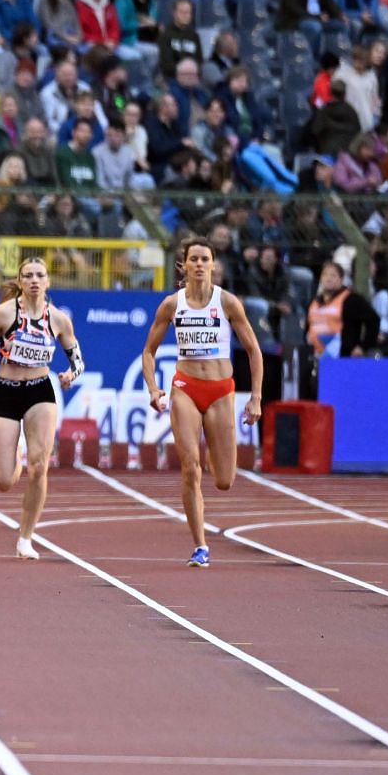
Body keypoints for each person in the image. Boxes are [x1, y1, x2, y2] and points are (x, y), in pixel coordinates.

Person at [141, 237, 265, 567]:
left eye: (204, 259)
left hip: (221, 390)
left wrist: (256, 398)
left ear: (213, 265)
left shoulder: (228, 303)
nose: (198, 264)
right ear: (184, 265)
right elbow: (148, 352)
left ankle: (214, 445)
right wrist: (154, 389)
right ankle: (200, 545)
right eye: (193, 259)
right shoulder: (171, 304)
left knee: (224, 480)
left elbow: (253, 350)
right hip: (185, 388)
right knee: (190, 469)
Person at [0, 256, 85, 561]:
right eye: (28, 275)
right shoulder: (3, 314)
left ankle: (26, 537)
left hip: (40, 391)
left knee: (40, 466)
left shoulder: (58, 320)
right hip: (6, 391)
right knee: (4, 480)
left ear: (47, 282)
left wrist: (71, 375)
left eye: (39, 275)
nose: (34, 280)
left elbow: (78, 360)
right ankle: (15, 447)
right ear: (19, 281)